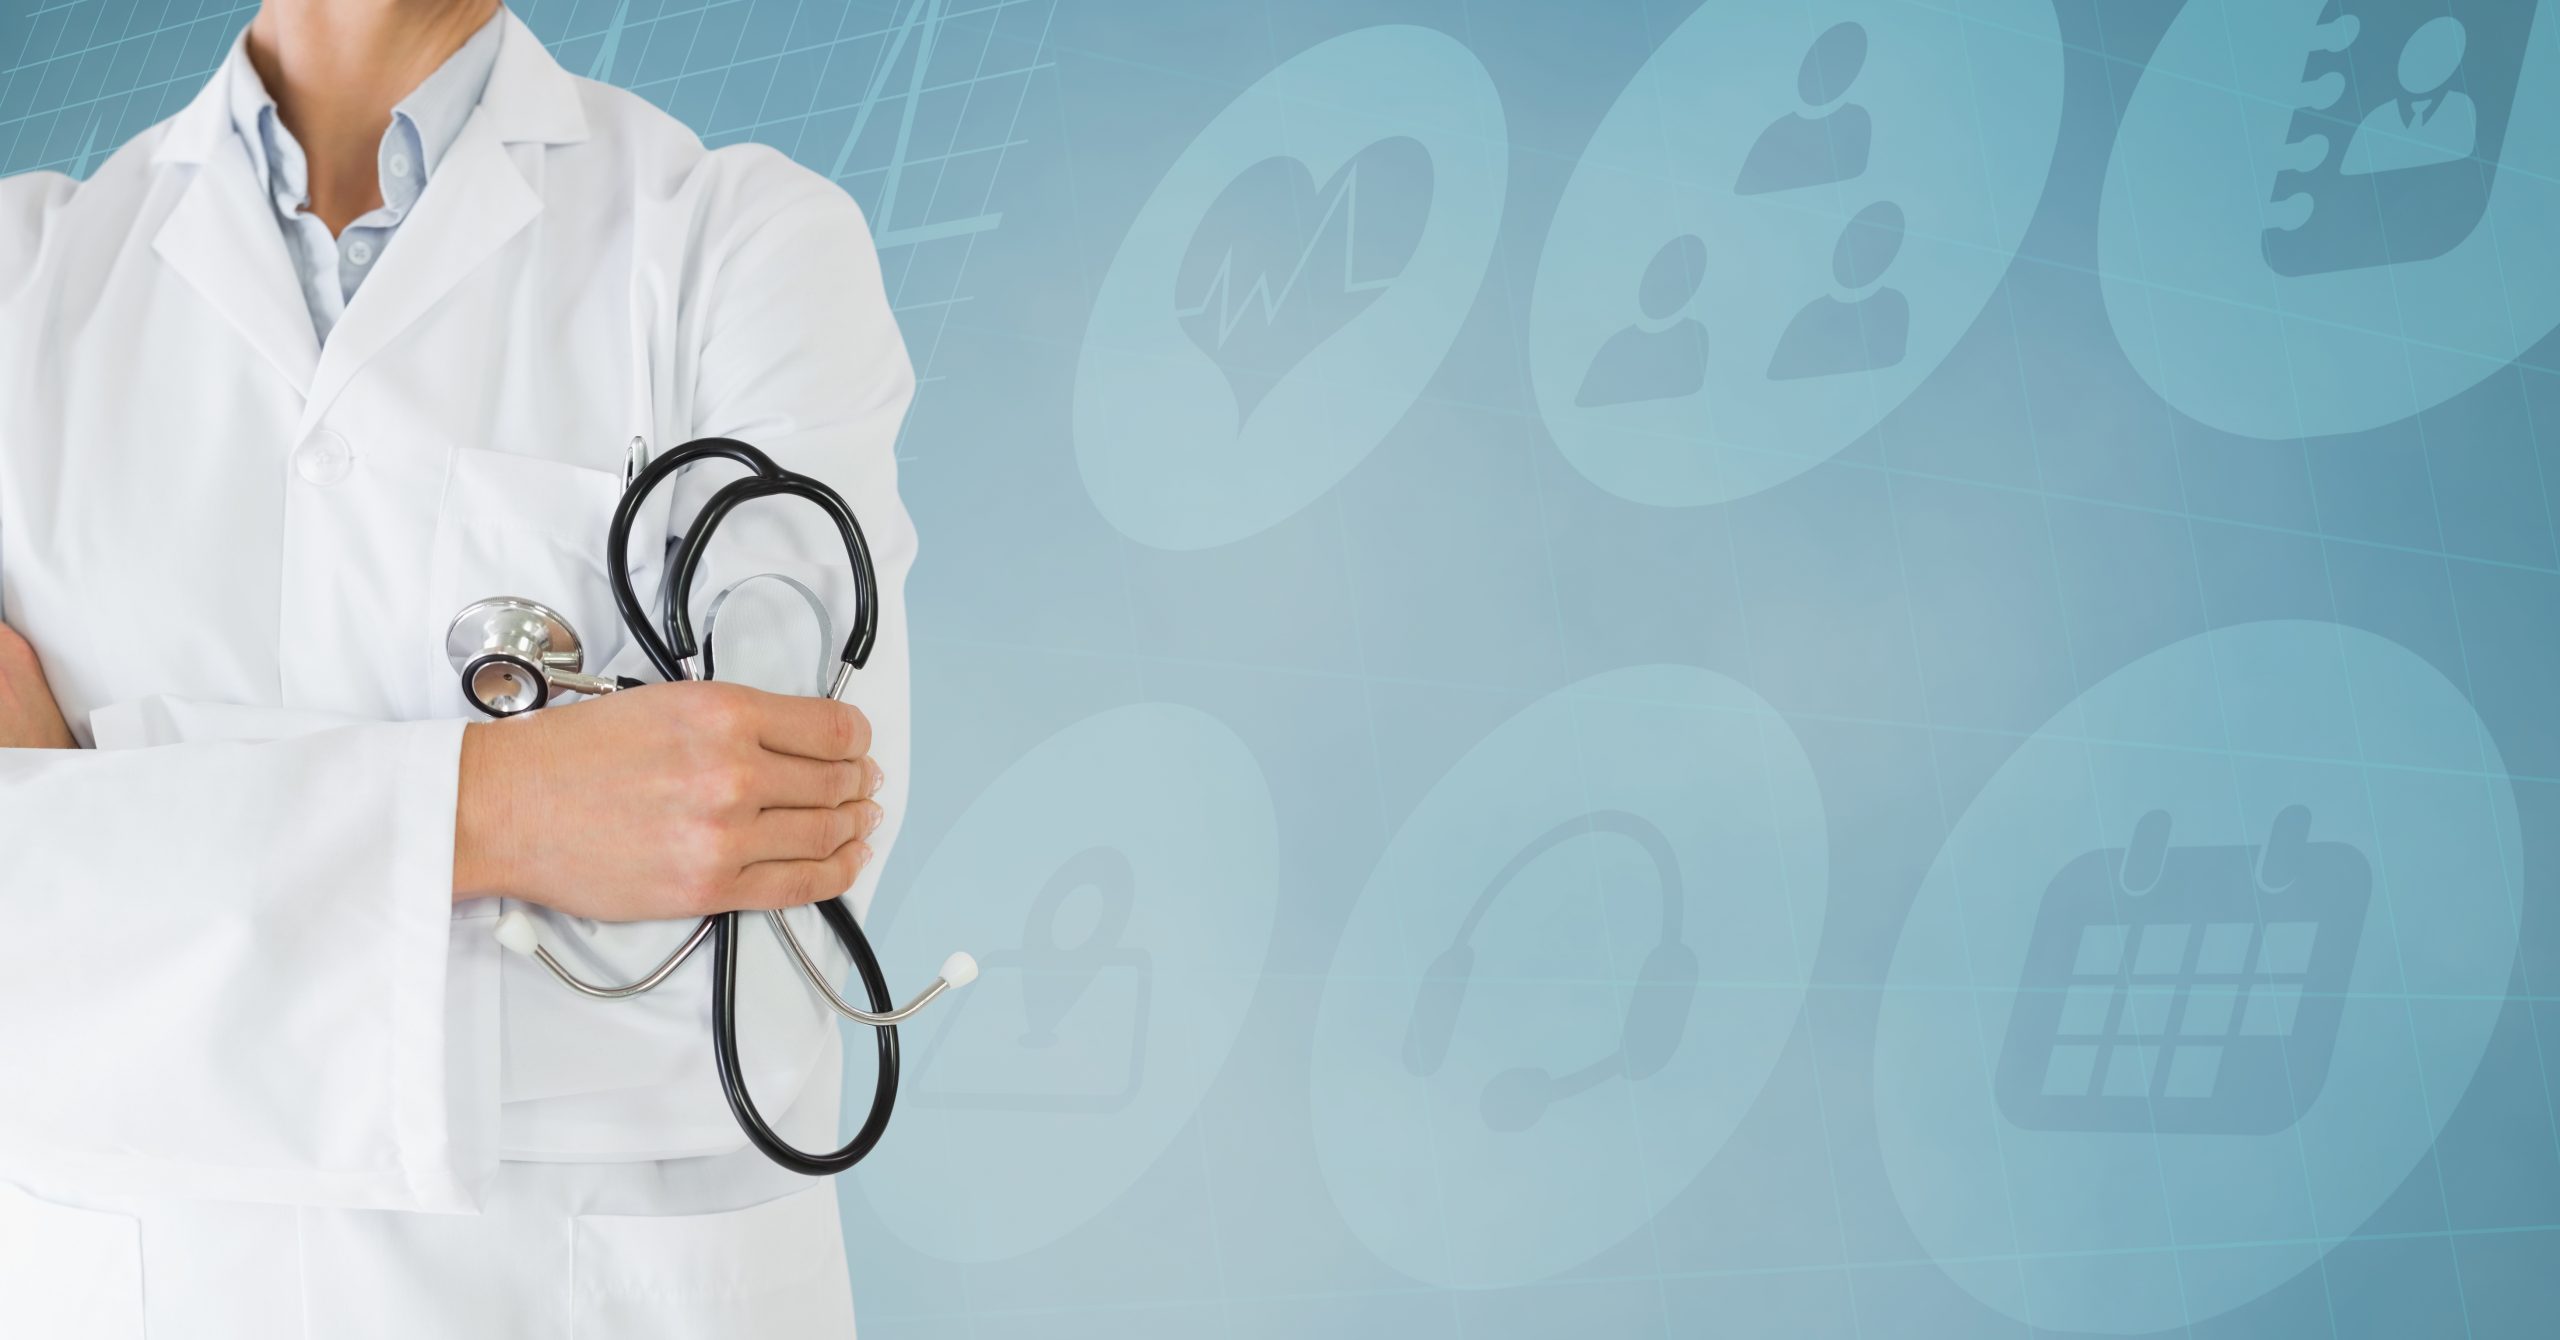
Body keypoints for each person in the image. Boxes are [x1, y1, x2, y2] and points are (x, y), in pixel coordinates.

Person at [0, 0, 917, 1334]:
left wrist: (105, 845)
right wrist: (505, 808)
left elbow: (747, 997)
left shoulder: (748, 252)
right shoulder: (16, 283)